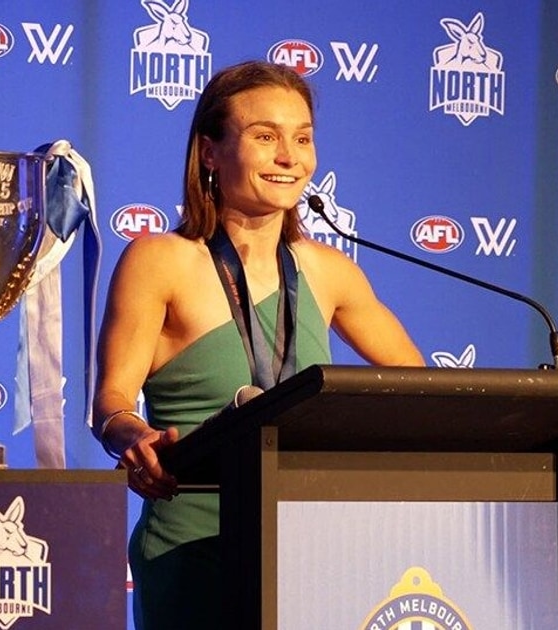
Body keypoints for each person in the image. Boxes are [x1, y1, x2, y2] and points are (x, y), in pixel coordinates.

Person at [92, 60, 425, 629]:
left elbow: (420, 392)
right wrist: (137, 437)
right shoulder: (159, 260)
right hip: (193, 548)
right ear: (209, 152)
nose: (289, 157)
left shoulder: (330, 272)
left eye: (302, 139)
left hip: (313, 549)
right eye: (265, 137)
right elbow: (111, 404)